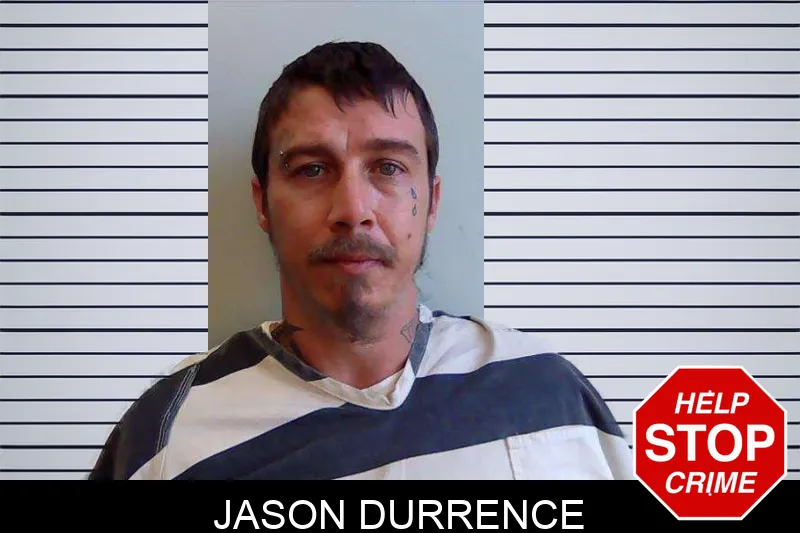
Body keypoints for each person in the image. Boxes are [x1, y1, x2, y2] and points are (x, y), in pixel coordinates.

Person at [88, 41, 634, 480]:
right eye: (311, 169)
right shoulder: (166, 433)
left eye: (388, 168)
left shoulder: (546, 395)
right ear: (262, 204)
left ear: (433, 202)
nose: (353, 210)